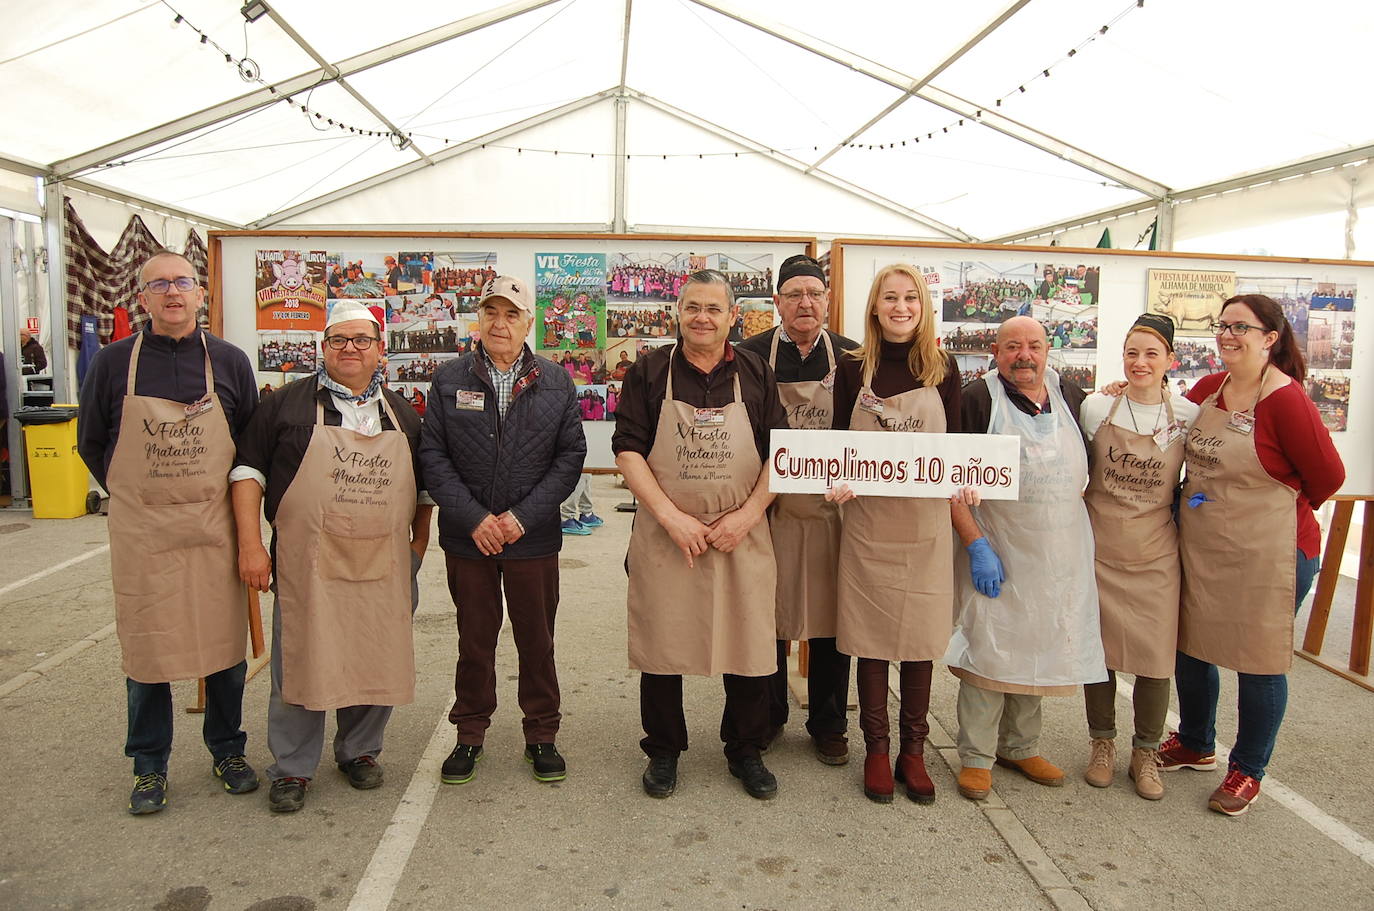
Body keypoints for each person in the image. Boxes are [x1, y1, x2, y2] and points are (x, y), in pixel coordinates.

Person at [230, 301, 432, 813]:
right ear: (323, 348)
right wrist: (252, 544)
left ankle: (360, 751)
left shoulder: (403, 414)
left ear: (380, 351)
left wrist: (417, 547)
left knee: (374, 651)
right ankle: (293, 767)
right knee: (300, 657)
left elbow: (426, 491)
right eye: (339, 340)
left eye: (361, 340)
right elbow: (248, 472)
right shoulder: (286, 405)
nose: (350, 349)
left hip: (383, 560)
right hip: (309, 560)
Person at [77, 251, 259, 815]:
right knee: (147, 650)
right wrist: (135, 493)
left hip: (213, 525)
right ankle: (149, 764)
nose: (172, 292)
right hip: (144, 531)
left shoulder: (229, 361)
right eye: (158, 285)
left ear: (200, 294)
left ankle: (227, 749)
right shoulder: (112, 362)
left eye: (182, 282)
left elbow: (248, 447)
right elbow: (91, 440)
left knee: (223, 646)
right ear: (144, 299)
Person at [1162, 294, 1344, 816]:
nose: (1227, 335)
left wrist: (1262, 508)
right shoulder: (1207, 389)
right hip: (1205, 545)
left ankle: (1247, 769)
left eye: (1241, 327)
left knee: (1259, 661)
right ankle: (1196, 742)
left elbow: (1328, 477)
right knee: (1192, 646)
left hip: (1273, 552)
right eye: (1222, 325)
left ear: (1270, 338)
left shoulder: (1285, 401)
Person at [613, 270, 788, 801]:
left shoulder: (757, 371)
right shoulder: (648, 371)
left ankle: (745, 749)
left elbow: (780, 456)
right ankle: (663, 751)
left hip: (741, 532)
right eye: (693, 308)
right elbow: (627, 450)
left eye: (714, 309)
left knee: (749, 642)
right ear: (678, 313)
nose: (703, 318)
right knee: (663, 644)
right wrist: (671, 518)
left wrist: (747, 516)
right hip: (669, 535)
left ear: (733, 316)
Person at [419, 276, 585, 786]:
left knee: (537, 640)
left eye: (511, 314)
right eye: (491, 312)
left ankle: (542, 734)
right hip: (469, 540)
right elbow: (433, 456)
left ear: (529, 323)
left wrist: (518, 519)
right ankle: (470, 733)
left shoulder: (556, 381)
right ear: (479, 320)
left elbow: (570, 458)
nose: (500, 323)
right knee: (474, 639)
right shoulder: (448, 380)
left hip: (530, 538)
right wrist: (474, 519)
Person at [945, 315, 1106, 801]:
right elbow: (950, 477)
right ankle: (975, 756)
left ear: (1047, 350)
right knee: (989, 647)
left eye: (1033, 346)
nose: (1024, 356)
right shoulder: (976, 399)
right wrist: (975, 544)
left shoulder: (1072, 397)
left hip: (1057, 551)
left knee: (1038, 644)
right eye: (1013, 347)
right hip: (997, 543)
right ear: (996, 352)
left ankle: (1020, 746)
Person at [823, 264, 966, 803]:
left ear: (923, 305)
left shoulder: (943, 368)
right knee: (872, 638)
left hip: (925, 525)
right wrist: (835, 480)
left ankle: (914, 750)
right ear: (875, 306)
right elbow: (838, 443)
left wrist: (969, 482)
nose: (901, 306)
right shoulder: (854, 367)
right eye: (890, 298)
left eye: (910, 297)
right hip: (868, 525)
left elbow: (957, 451)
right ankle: (877, 750)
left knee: (920, 640)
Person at [736, 254, 859, 767]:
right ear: (777, 303)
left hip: (835, 510)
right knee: (771, 614)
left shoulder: (853, 358)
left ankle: (829, 722)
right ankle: (768, 714)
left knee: (833, 618)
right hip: (771, 508)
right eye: (794, 295)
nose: (805, 303)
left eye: (814, 293)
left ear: (827, 300)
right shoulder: (748, 355)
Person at [1078, 314, 1199, 800]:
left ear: (1170, 360)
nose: (1140, 362)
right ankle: (1101, 744)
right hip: (1099, 546)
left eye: (1152, 354)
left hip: (1155, 552)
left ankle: (1145, 752)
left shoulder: (1188, 416)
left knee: (1154, 658)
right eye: (1132, 353)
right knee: (1098, 654)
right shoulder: (1096, 407)